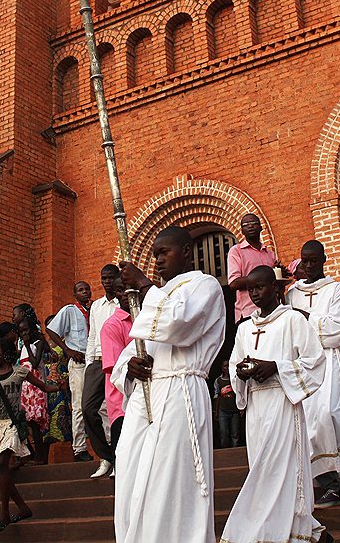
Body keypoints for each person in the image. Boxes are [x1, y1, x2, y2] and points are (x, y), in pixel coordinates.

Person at [112, 226, 226, 543]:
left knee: (170, 479)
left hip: (181, 392)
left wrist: (146, 286)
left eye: (165, 252)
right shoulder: (154, 298)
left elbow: (179, 325)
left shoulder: (204, 286)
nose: (158, 260)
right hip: (145, 399)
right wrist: (130, 367)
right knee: (131, 475)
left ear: (186, 251)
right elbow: (135, 348)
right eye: (155, 255)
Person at [221, 266, 331, 543]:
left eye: (261, 287)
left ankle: (291, 529)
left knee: (282, 467)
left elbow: (314, 360)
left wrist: (277, 368)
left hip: (283, 402)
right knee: (261, 466)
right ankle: (275, 530)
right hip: (257, 406)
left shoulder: (293, 320)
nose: (255, 293)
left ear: (276, 288)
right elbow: (235, 362)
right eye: (251, 289)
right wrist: (242, 372)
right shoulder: (244, 328)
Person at [286, 240, 340, 508]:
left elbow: (339, 330)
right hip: (304, 363)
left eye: (314, 261)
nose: (308, 266)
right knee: (311, 422)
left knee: (333, 412)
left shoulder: (336, 290)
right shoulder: (291, 294)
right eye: (304, 261)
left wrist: (305, 316)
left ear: (323, 260)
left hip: (329, 360)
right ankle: (329, 482)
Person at [0, 334, 63, 532]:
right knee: (0, 470)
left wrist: (59, 387)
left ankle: (4, 515)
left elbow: (42, 386)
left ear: (7, 354)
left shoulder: (19, 372)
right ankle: (22, 507)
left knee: (2, 464)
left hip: (13, 423)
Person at [45, 281, 92, 459]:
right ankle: (79, 448)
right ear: (75, 294)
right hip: (78, 363)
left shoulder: (94, 309)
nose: (85, 292)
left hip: (93, 362)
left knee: (99, 405)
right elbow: (51, 330)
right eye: (80, 290)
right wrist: (67, 350)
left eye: (87, 289)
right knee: (79, 405)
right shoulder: (69, 310)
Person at [83, 265, 122, 476]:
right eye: (103, 278)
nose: (107, 281)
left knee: (118, 412)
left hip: (117, 360)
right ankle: (106, 456)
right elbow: (92, 336)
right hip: (97, 361)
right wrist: (90, 361)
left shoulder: (123, 303)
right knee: (88, 409)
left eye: (110, 277)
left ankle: (119, 458)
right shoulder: (96, 306)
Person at [98, 275, 133, 476]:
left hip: (146, 402)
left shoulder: (145, 319)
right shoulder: (112, 325)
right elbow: (117, 369)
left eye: (130, 288)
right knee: (125, 467)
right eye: (121, 290)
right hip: (122, 403)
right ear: (117, 295)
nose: (126, 293)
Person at [227, 213, 279, 323]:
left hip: (272, 312)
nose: (250, 226)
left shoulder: (270, 254)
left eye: (254, 223)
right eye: (246, 224)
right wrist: (261, 279)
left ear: (260, 228)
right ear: (242, 230)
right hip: (248, 313)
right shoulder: (236, 251)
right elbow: (233, 283)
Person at [18, 315, 52, 464]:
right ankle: (35, 455)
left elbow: (35, 362)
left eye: (26, 330)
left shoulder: (37, 343)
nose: (24, 334)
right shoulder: (21, 347)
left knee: (36, 422)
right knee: (28, 422)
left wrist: (26, 345)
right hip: (26, 387)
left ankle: (41, 458)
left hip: (36, 385)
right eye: (21, 332)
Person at [42, 315, 73, 446]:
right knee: (45, 421)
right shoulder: (42, 343)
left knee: (64, 417)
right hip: (45, 385)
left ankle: (77, 451)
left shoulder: (65, 342)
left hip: (61, 384)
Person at [213, 359, 242, 448]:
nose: (227, 368)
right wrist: (216, 411)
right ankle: (225, 453)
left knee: (235, 433)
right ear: (222, 368)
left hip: (235, 410)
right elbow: (216, 396)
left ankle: (235, 453)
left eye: (229, 366)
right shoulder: (218, 381)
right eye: (225, 366)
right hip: (223, 411)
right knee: (224, 433)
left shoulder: (235, 380)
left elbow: (241, 393)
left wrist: (242, 408)